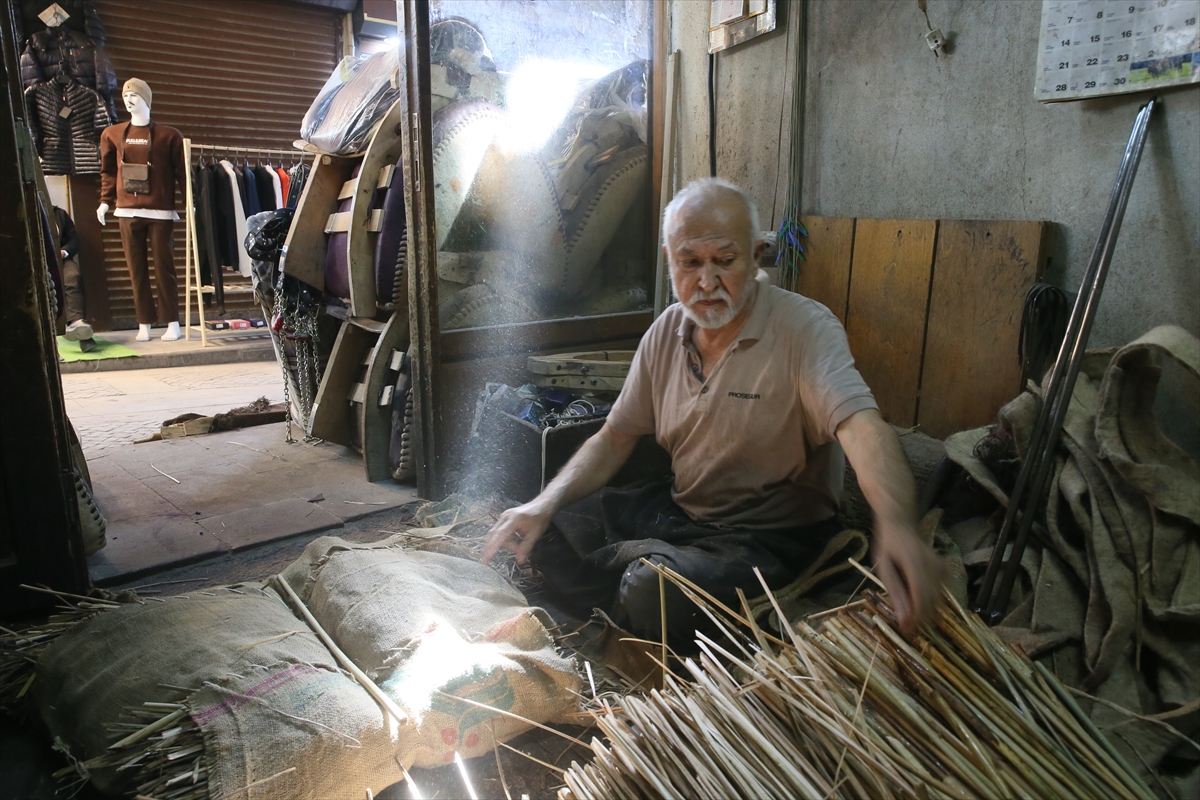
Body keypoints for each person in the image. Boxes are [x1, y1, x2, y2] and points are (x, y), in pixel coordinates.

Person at [482, 177, 946, 644]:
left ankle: (643, 604)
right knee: (541, 527)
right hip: (679, 514)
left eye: (724, 261)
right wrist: (543, 504)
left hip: (769, 539)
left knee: (653, 590)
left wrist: (896, 525)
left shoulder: (805, 329)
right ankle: (642, 605)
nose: (706, 282)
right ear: (669, 261)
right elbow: (614, 437)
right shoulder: (666, 332)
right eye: (690, 263)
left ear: (756, 256)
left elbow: (863, 426)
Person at [54, 204, 97, 350]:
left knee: (72, 276)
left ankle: (78, 324)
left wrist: (64, 252)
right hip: (31, 262)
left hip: (59, 260)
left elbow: (73, 239)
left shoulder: (59, 213)